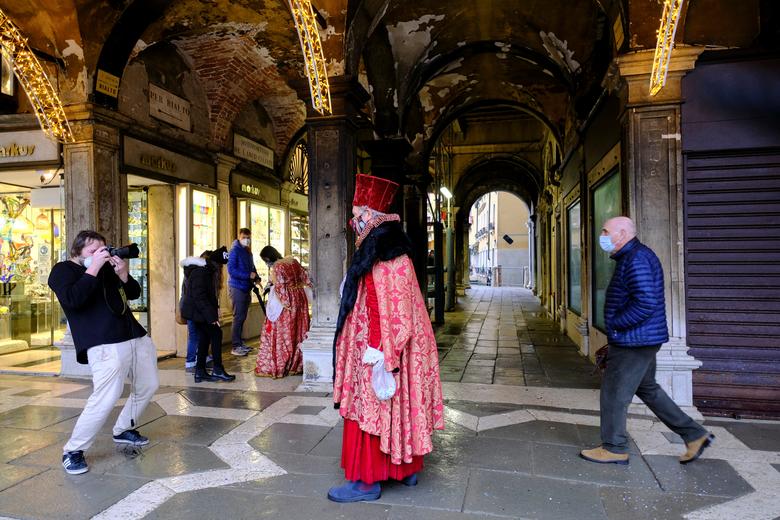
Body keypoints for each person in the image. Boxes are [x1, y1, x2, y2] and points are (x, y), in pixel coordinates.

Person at [328, 174, 445, 503]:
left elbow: (392, 313)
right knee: (401, 405)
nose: (354, 221)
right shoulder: (387, 254)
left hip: (383, 350)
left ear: (372, 216)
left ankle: (366, 482)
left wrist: (381, 356)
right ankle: (404, 469)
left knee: (373, 406)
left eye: (358, 213)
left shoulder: (388, 258)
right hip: (394, 351)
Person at [580, 216, 714, 465]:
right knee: (647, 388)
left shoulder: (636, 259)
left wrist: (616, 324)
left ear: (622, 233)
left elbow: (645, 302)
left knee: (613, 393)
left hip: (634, 340)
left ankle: (614, 447)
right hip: (641, 338)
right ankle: (694, 434)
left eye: (606, 231)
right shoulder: (633, 257)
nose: (603, 236)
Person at [48, 230, 159, 475]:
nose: (100, 254)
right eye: (92, 250)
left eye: (102, 249)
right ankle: (73, 450)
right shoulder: (63, 270)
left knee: (148, 385)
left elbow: (133, 294)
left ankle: (123, 429)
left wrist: (123, 274)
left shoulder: (108, 269)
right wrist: (93, 268)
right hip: (103, 343)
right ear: (78, 251)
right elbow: (73, 299)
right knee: (107, 396)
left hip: (134, 335)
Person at [254, 245, 311, 378]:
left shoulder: (278, 267)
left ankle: (283, 364)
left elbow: (280, 288)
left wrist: (287, 303)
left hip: (288, 303)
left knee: (284, 333)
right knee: (299, 331)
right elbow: (306, 277)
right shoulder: (293, 261)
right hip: (300, 298)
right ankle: (296, 364)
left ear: (268, 258)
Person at [180, 247, 236, 383]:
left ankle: (200, 372)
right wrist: (211, 318)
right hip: (197, 311)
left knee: (205, 337)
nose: (221, 269)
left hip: (199, 311)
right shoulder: (202, 272)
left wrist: (213, 313)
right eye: (221, 265)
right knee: (216, 334)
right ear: (216, 263)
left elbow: (208, 297)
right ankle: (217, 369)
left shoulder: (207, 271)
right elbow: (200, 297)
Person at [227, 228, 258, 357]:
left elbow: (252, 267)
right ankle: (235, 345)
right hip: (237, 288)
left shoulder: (247, 251)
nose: (247, 240)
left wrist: (256, 277)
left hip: (246, 287)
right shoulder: (235, 251)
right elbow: (231, 270)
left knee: (242, 317)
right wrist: (248, 275)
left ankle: (239, 343)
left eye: (249, 237)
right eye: (244, 237)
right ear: (239, 237)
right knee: (238, 317)